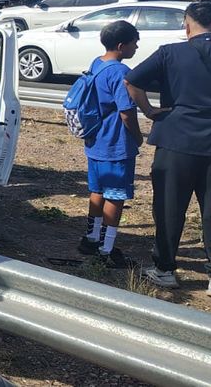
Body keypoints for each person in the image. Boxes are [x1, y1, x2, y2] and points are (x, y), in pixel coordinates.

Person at [125, 2, 211, 299]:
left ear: (186, 25)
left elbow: (132, 81)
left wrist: (150, 111)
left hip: (176, 141)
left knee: (169, 207)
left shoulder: (169, 53)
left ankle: (165, 269)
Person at [76, 20, 143, 268]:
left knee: (97, 190)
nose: (136, 47)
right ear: (121, 45)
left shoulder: (97, 63)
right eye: (134, 43)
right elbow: (126, 111)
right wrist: (137, 136)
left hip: (95, 141)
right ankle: (107, 249)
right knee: (115, 196)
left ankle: (91, 237)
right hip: (116, 143)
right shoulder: (120, 73)